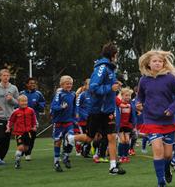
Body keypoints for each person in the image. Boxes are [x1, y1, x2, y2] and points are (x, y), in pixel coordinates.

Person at [66, 43, 125, 175]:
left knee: (112, 137)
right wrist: (110, 88)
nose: (117, 57)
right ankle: (70, 138)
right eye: (116, 54)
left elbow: (107, 84)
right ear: (113, 55)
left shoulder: (110, 69)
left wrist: (115, 84)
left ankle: (113, 166)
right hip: (97, 110)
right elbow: (93, 87)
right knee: (89, 138)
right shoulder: (102, 68)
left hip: (108, 110)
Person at [136, 50, 175, 187]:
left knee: (168, 155)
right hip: (151, 119)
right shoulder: (144, 80)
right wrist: (138, 104)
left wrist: (171, 109)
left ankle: (167, 168)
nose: (157, 63)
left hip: (168, 121)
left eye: (160, 61)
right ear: (148, 64)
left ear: (164, 63)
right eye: (154, 61)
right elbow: (140, 97)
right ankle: (161, 182)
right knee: (158, 150)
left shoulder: (170, 78)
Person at [50, 76, 76, 172]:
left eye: (70, 83)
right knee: (58, 142)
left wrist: (75, 116)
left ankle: (66, 157)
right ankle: (56, 162)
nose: (69, 85)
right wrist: (61, 107)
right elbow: (53, 107)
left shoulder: (73, 94)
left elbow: (73, 106)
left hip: (69, 122)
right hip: (58, 123)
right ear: (62, 85)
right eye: (67, 83)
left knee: (71, 139)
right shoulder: (59, 94)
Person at [6, 95, 37, 169]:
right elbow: (11, 120)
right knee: (20, 147)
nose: (24, 103)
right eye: (22, 101)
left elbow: (34, 120)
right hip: (19, 133)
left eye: (25, 101)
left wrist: (34, 126)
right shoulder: (16, 112)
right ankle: (17, 162)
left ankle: (20, 155)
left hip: (28, 132)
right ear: (18, 102)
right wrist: (8, 127)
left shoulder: (31, 110)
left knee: (26, 148)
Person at [20, 78, 45, 161]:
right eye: (31, 83)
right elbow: (17, 104)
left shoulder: (38, 94)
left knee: (32, 137)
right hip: (22, 119)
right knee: (24, 136)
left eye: (34, 83)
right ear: (27, 84)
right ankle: (24, 151)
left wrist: (39, 105)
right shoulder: (22, 93)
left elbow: (42, 105)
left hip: (34, 119)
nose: (33, 85)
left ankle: (28, 153)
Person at [116, 87, 137, 163]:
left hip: (127, 125)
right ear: (122, 95)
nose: (128, 97)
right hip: (120, 125)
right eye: (126, 95)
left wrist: (133, 124)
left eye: (129, 95)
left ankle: (126, 155)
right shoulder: (119, 104)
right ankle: (120, 156)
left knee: (127, 140)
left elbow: (133, 115)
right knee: (123, 140)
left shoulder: (131, 104)